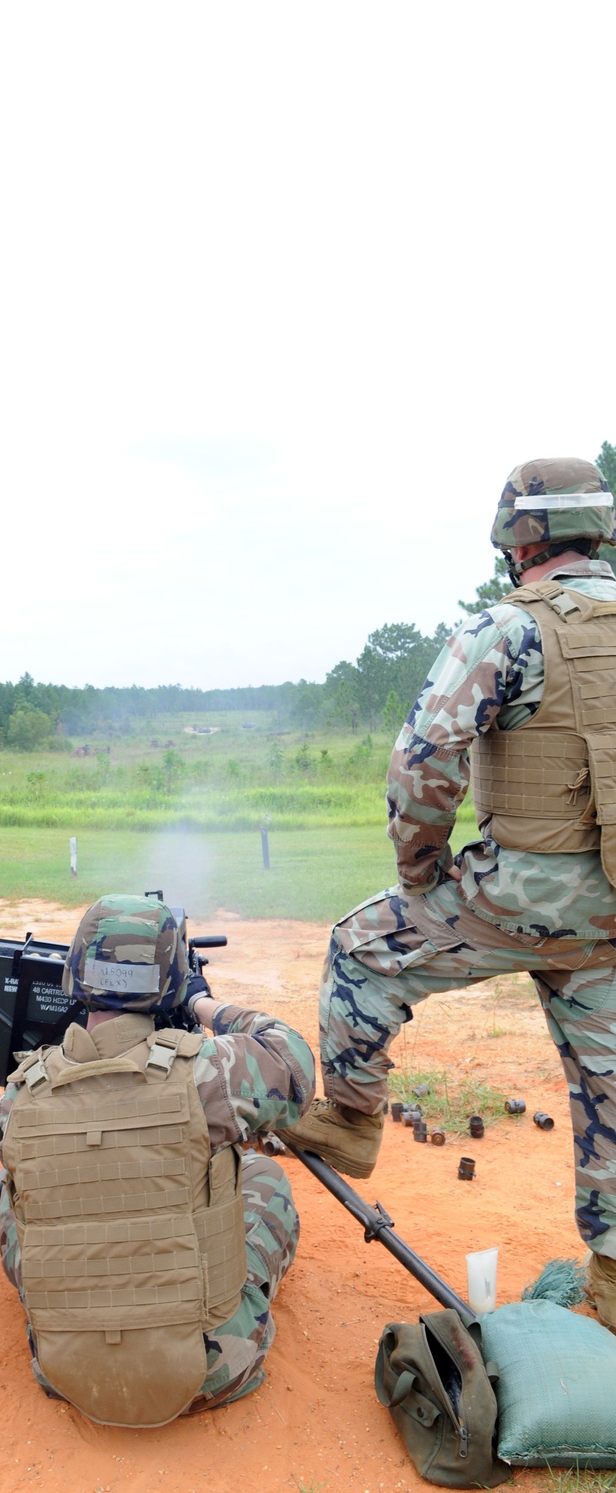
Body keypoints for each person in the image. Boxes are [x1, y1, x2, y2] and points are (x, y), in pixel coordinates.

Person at [285, 456, 616, 1327]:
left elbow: (424, 763)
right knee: (612, 1082)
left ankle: (352, 1124)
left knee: (363, 950)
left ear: (520, 539)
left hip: (525, 892)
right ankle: (615, 1285)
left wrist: (421, 872)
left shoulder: (505, 628)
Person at [0, 893, 314, 1426]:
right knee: (264, 1175)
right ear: (169, 979)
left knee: (17, 1201)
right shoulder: (209, 1075)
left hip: (66, 1371)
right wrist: (200, 1004)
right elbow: (293, 1059)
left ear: (74, 974)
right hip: (213, 1367)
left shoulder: (16, 1098)